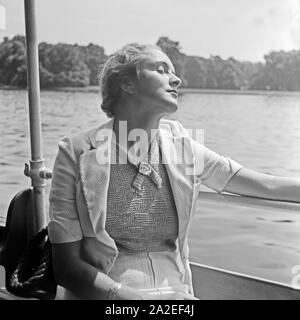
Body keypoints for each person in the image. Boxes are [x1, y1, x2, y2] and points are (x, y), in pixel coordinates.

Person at [48, 43, 300, 300]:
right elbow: (66, 268)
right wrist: (131, 298)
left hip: (177, 296)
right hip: (108, 295)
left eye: (173, 71)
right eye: (161, 70)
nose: (176, 79)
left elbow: (264, 185)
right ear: (127, 84)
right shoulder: (77, 151)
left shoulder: (182, 146)